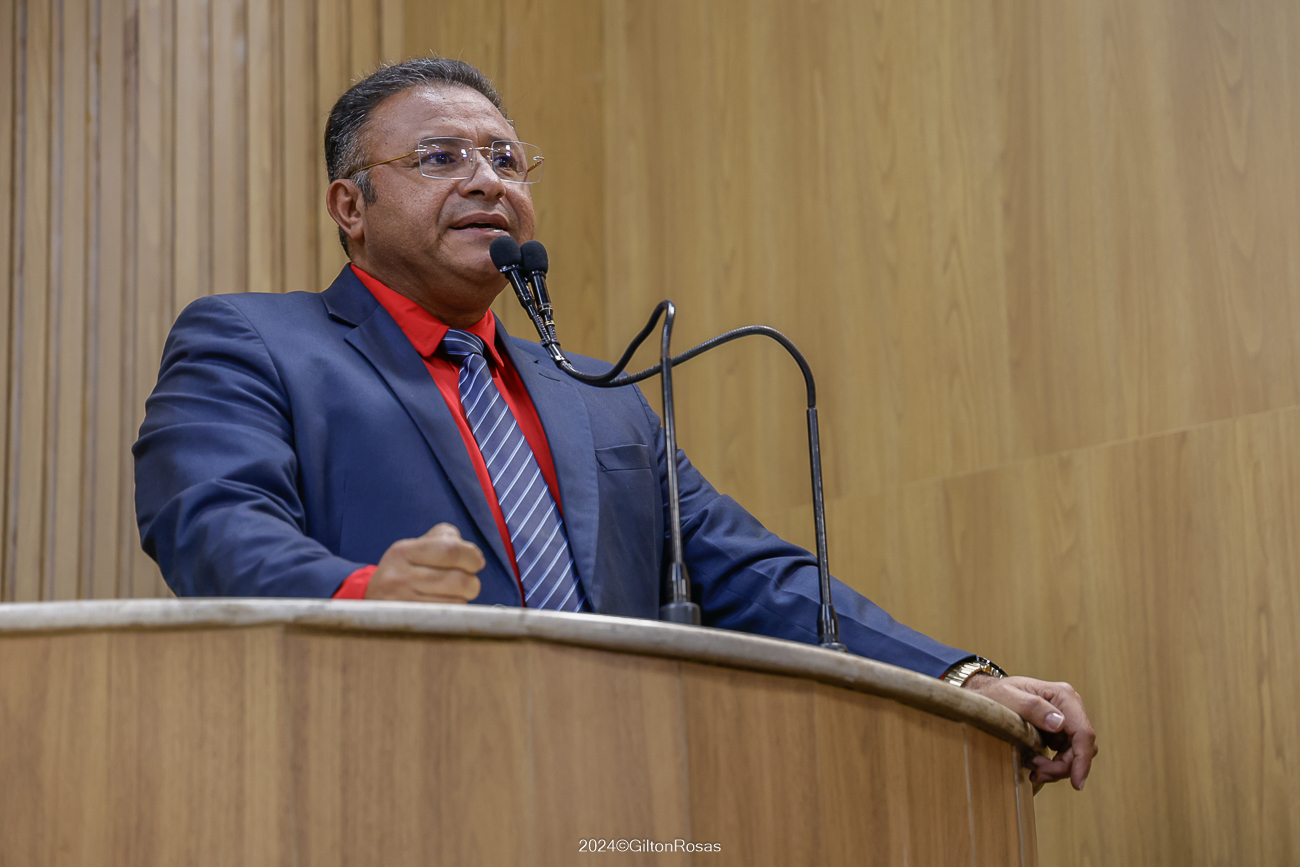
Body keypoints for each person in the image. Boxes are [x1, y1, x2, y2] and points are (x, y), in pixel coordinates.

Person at [134, 57, 1095, 789]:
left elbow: (746, 571)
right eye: (441, 157)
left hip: (622, 789)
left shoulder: (598, 391)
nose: (488, 180)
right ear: (350, 204)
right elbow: (210, 522)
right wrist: (358, 595)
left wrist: (961, 676)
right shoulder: (255, 340)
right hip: (386, 774)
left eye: (506, 159)